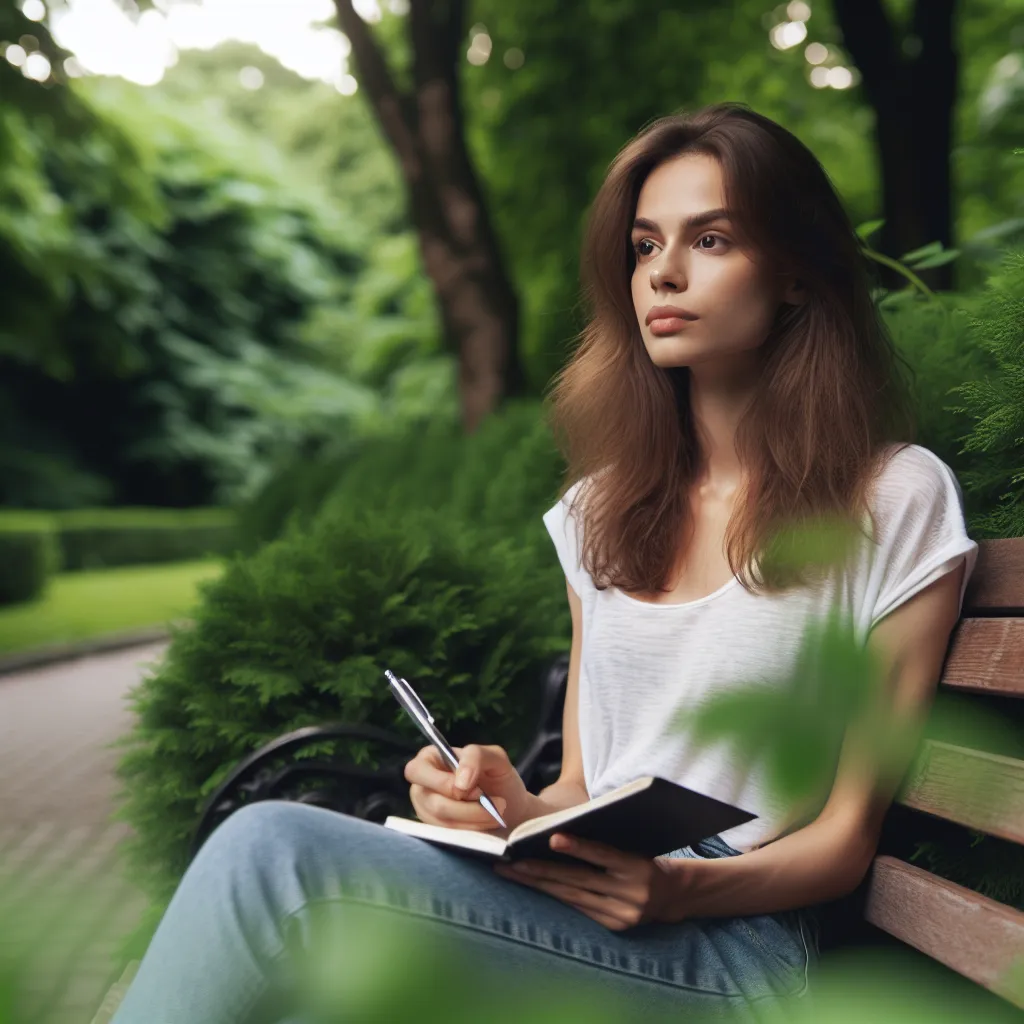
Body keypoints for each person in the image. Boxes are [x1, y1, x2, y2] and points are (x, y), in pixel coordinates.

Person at [111, 102, 978, 1023]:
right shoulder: (603, 510)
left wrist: (677, 892)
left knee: (270, 856)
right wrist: (505, 807)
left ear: (797, 277)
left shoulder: (888, 499)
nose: (664, 275)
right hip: (579, 913)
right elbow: (578, 788)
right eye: (645, 246)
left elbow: (845, 839)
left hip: (736, 949)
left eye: (712, 240)